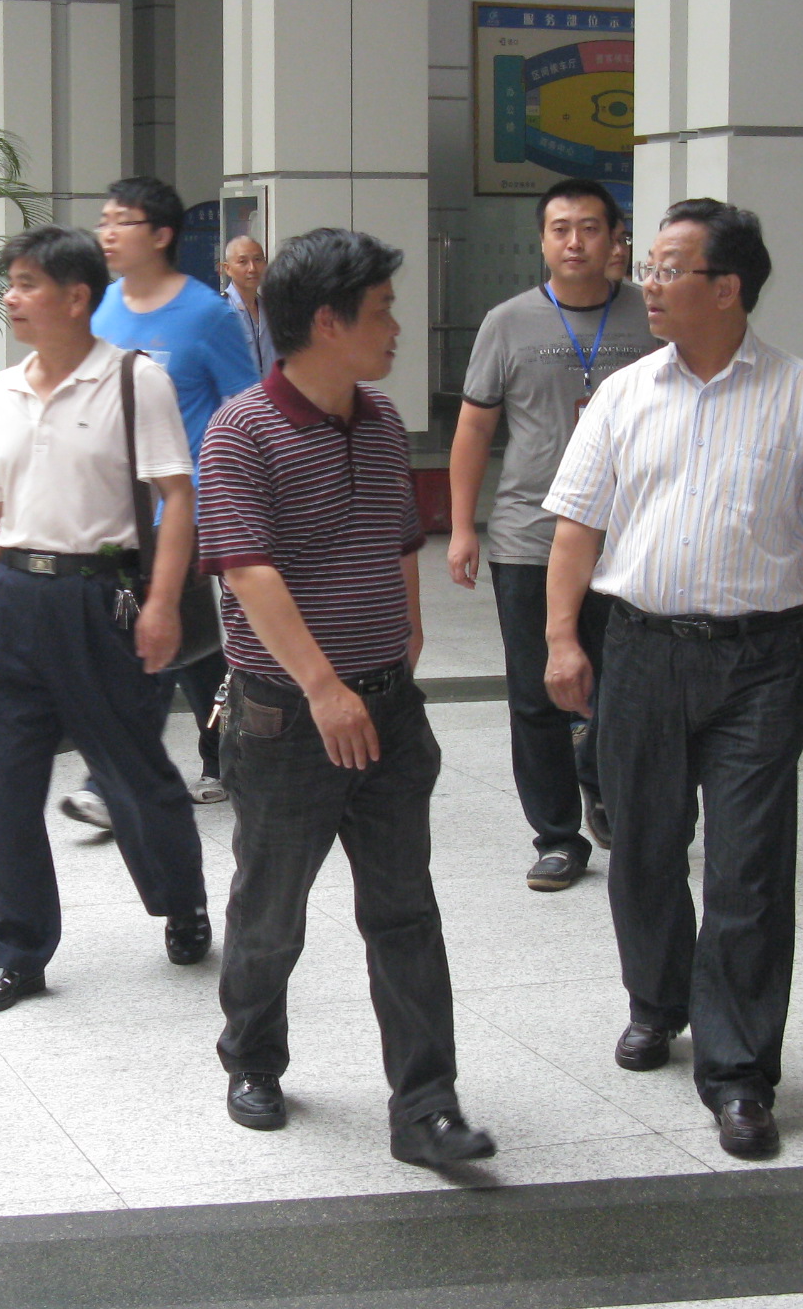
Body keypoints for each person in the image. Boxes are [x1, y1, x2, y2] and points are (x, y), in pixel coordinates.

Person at [543, 198, 803, 1162]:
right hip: (642, 650)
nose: (645, 283)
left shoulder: (802, 394)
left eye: (667, 268)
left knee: (749, 865)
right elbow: (576, 523)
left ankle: (740, 1073)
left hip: (759, 662)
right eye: (648, 266)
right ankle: (657, 1001)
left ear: (727, 287)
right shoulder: (625, 394)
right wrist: (562, 637)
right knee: (645, 846)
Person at [198, 226, 496, 1168]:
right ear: (327, 322)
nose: (397, 327)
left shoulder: (378, 419)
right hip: (288, 717)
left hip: (388, 708)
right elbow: (247, 570)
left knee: (405, 912)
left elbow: (401, 536)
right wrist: (324, 688)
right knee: (271, 909)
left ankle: (426, 1108)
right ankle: (252, 1056)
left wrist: (407, 637)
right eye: (382, 311)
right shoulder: (242, 430)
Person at [0, 225, 210, 1015]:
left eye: (27, 283)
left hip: (102, 600)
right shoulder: (2, 391)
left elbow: (177, 497)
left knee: (134, 772)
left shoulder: (135, 380)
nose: (11, 298)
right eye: (12, 283)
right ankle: (13, 950)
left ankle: (182, 901)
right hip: (14, 598)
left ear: (75, 297)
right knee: (8, 786)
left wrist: (162, 603)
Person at [448, 177, 656, 892]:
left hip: (632, 536)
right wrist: (462, 527)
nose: (575, 242)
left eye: (590, 228)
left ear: (615, 237)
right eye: (560, 229)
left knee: (627, 685)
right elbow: (474, 429)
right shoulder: (507, 323)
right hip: (530, 535)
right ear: (542, 240)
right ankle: (558, 836)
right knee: (538, 693)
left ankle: (608, 789)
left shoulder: (649, 315)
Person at [59, 176, 259, 822]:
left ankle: (106, 780)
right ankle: (223, 749)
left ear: (162, 235)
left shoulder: (207, 315)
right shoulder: (102, 310)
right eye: (103, 221)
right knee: (186, 636)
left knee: (147, 630)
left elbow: (245, 408)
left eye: (122, 221)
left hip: (186, 504)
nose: (107, 234)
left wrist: (233, 496)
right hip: (118, 509)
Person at [220, 232, 277, 376]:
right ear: (227, 268)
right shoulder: (220, 310)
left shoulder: (272, 310)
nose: (252, 268)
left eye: (258, 260)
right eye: (243, 262)